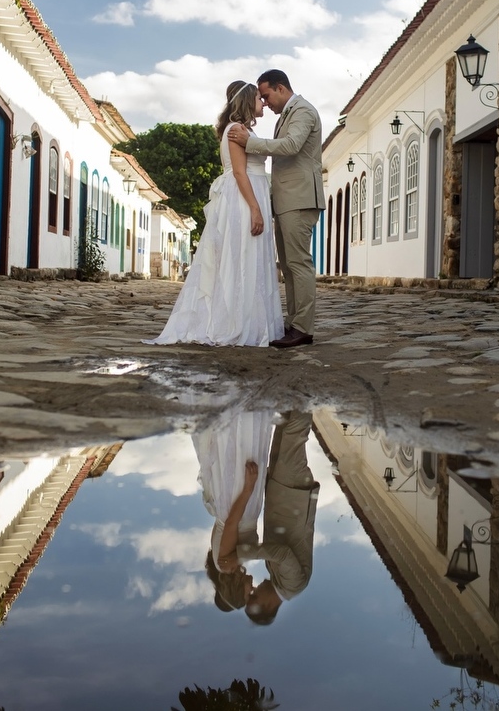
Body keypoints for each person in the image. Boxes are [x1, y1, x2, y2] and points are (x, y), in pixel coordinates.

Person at [143, 81, 284, 346]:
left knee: (247, 258)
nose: (263, 102)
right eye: (258, 98)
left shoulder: (240, 130)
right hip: (244, 199)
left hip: (248, 194)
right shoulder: (236, 130)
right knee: (242, 257)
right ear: (246, 101)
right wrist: (255, 209)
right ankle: (235, 323)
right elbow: (240, 172)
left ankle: (248, 320)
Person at [228, 70, 325, 348]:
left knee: (298, 264)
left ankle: (303, 328)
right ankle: (295, 323)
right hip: (286, 200)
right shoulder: (287, 115)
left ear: (280, 88)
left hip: (300, 199)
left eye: (267, 96)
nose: (265, 103)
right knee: (289, 266)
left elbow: (292, 146)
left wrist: (250, 143)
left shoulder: (303, 110)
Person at [237, 410, 319, 624]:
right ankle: (306, 391)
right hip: (292, 493)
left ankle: (293, 391)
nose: (253, 590)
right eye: (254, 597)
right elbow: (282, 553)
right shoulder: (293, 585)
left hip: (280, 490)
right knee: (295, 432)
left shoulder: (276, 578)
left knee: (283, 428)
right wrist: (243, 554)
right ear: (269, 605)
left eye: (250, 593)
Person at [193, 407, 276, 611]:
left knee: (243, 448)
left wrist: (248, 488)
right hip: (238, 504)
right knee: (237, 447)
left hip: (238, 502)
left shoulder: (225, 564)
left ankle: (242, 408)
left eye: (248, 592)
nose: (253, 588)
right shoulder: (224, 563)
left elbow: (231, 524)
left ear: (237, 589)